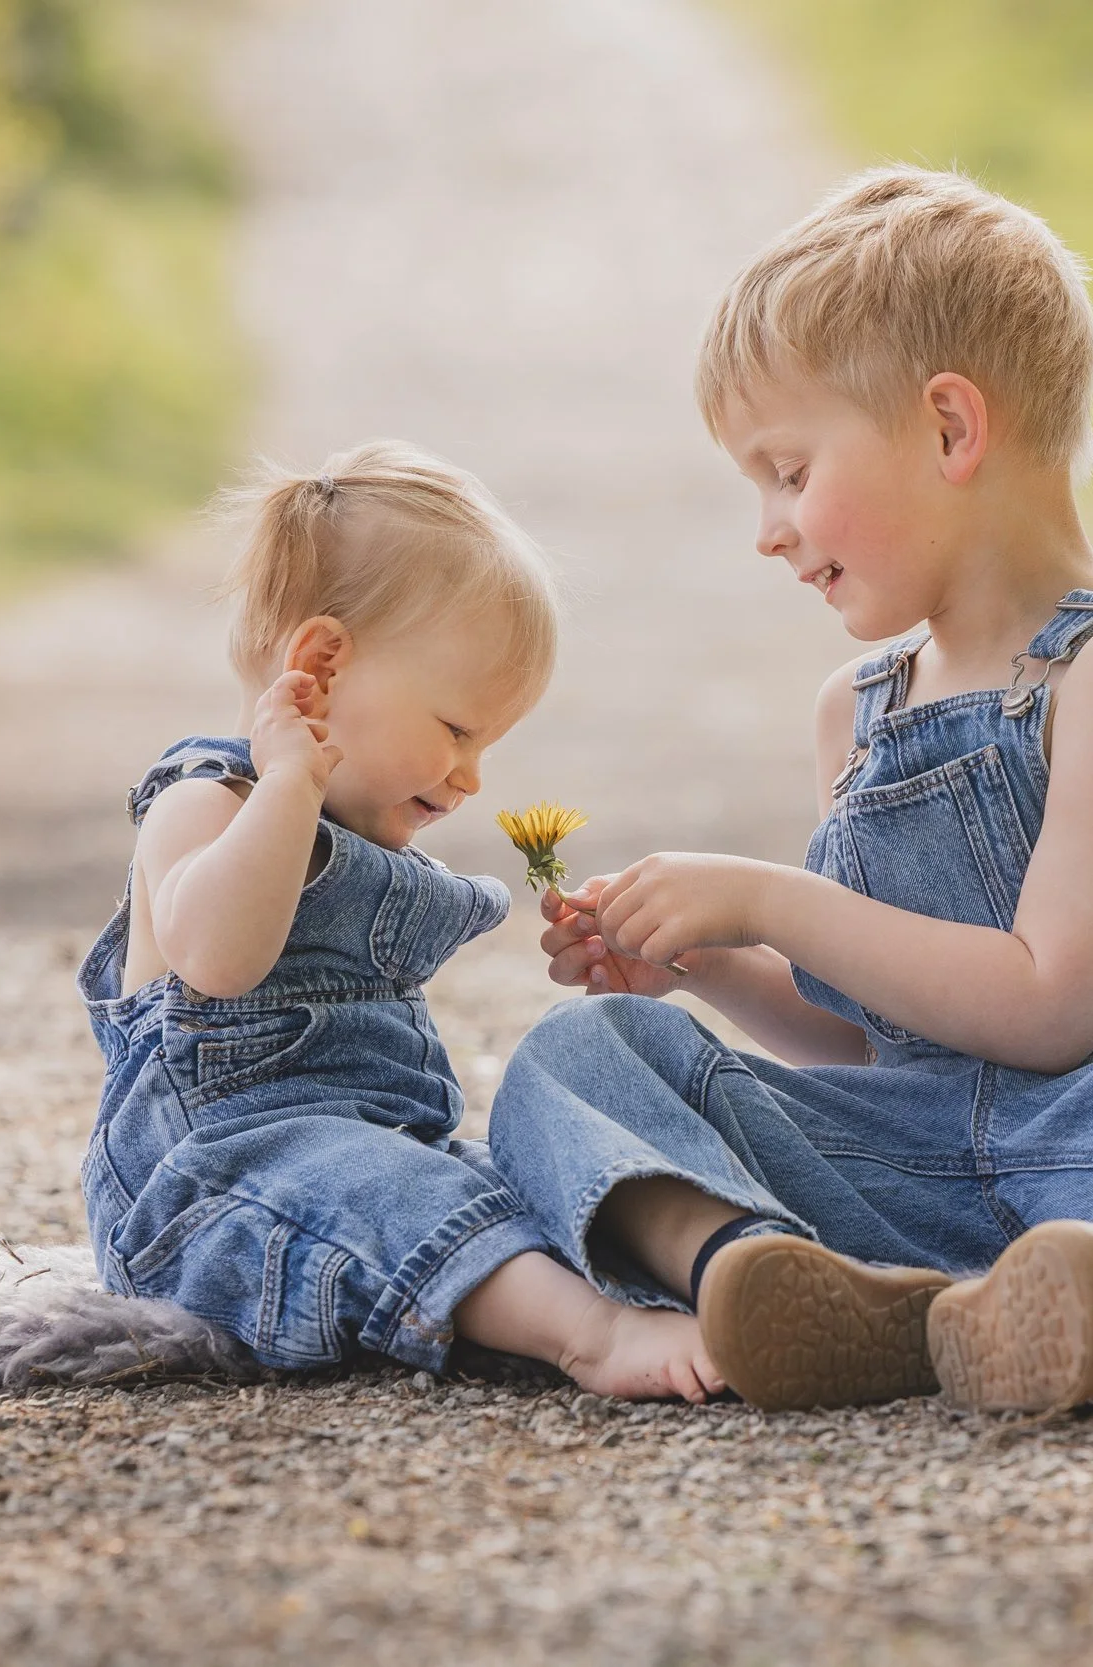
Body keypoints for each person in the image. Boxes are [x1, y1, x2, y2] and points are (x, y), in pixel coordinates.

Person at [487, 170, 1093, 1413]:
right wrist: (709, 966)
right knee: (576, 1056)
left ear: (951, 429)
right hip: (903, 1164)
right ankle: (775, 1278)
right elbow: (879, 1038)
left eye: (788, 470)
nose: (766, 527)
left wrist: (769, 900)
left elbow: (1048, 1010)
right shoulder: (854, 710)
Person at [78, 441, 723, 1401]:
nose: (472, 776)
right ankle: (594, 1334)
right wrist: (288, 784)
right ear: (322, 666)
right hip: (208, 1185)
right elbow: (217, 958)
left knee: (513, 1183)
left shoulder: (355, 832)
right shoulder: (206, 801)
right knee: (391, 1196)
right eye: (458, 731)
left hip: (375, 1150)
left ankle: (724, 1272)